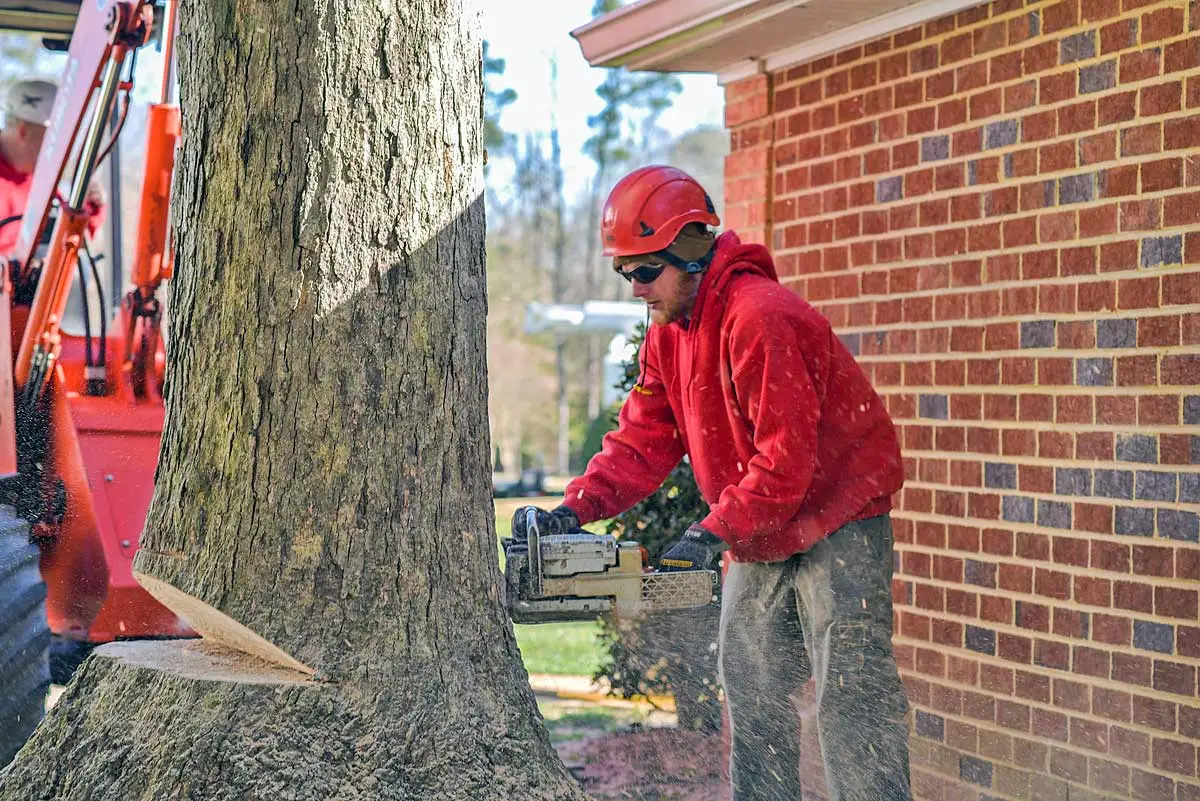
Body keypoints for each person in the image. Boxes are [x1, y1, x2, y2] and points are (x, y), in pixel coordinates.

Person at [513, 164, 912, 801]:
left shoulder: (760, 318)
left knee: (850, 696)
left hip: (840, 512)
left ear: (690, 254)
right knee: (751, 686)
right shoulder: (668, 333)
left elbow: (786, 464)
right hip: (763, 519)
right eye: (625, 273)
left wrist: (710, 532)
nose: (636, 289)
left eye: (645, 271)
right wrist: (574, 511)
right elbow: (641, 440)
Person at [0, 78, 106, 258]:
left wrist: (92, 205)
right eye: (51, 138)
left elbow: (69, 239)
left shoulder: (42, 184)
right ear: (24, 131)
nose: (58, 148)